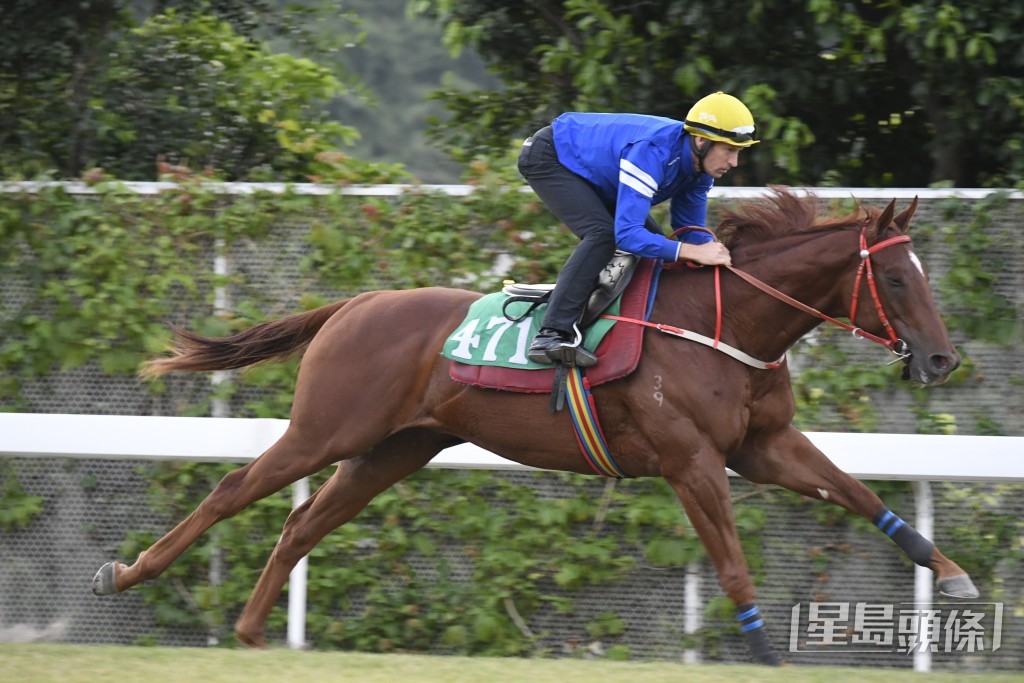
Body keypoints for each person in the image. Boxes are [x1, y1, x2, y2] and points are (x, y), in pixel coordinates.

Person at [517, 91, 759, 366]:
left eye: (738, 152)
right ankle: (551, 334)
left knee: (658, 246)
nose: (734, 162)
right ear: (701, 141)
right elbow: (628, 234)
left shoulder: (701, 170)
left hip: (596, 174)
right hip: (551, 158)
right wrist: (692, 250)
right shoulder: (653, 152)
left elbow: (688, 231)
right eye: (729, 150)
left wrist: (717, 255)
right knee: (603, 234)